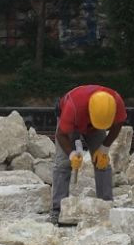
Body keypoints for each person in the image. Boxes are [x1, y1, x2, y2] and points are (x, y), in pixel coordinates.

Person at [50, 84, 127, 224]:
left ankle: (106, 206)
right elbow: (60, 135)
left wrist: (104, 148)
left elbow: (118, 124)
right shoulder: (73, 107)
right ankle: (57, 211)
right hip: (72, 123)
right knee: (62, 163)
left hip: (95, 125)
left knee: (102, 161)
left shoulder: (116, 102)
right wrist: (71, 154)